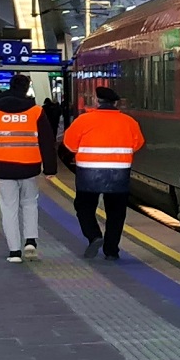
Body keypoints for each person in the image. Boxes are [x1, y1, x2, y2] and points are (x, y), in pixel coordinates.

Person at [61, 86, 144, 261]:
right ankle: (111, 250)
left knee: (84, 207)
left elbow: (69, 144)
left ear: (97, 102)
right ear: (116, 104)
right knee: (116, 212)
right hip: (119, 174)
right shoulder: (129, 122)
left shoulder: (84, 120)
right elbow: (137, 144)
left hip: (89, 173)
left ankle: (94, 236)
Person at [0, 74, 46, 262]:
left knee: (9, 208)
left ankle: (14, 252)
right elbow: (46, 140)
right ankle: (31, 241)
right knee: (30, 202)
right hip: (29, 167)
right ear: (26, 88)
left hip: (3, 167)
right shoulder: (36, 111)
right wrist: (50, 169)